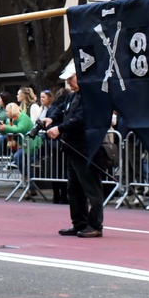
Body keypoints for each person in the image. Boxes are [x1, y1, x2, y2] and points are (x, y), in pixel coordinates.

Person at [46, 60, 104, 237]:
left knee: (91, 188)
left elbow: (81, 119)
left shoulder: (90, 96)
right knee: (74, 189)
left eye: (71, 79)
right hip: (73, 149)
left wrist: (60, 128)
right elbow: (62, 110)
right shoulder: (73, 96)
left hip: (86, 149)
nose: (68, 83)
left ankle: (95, 225)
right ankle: (79, 223)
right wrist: (51, 119)